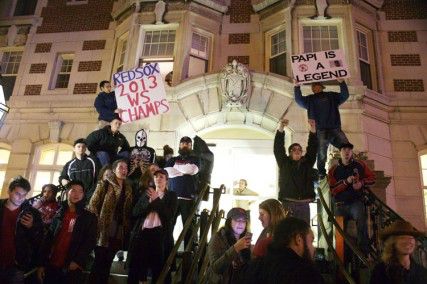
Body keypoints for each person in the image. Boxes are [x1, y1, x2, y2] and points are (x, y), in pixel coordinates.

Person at [37, 180, 97, 284]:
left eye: (80, 191)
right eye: (73, 190)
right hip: (52, 264)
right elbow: (48, 239)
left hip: (71, 267)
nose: (77, 194)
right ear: (66, 192)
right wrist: (42, 264)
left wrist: (78, 261)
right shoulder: (59, 213)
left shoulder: (89, 217)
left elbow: (90, 241)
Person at [127, 169, 177, 284]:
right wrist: (149, 202)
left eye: (161, 177)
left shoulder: (171, 196)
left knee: (159, 268)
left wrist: (156, 200)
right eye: (156, 177)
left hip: (160, 234)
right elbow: (135, 212)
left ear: (166, 181)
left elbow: (169, 216)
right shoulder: (147, 193)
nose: (158, 179)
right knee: (138, 267)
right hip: (143, 232)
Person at [87, 159, 133, 284]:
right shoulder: (105, 184)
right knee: (98, 262)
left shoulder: (128, 188)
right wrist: (98, 223)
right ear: (114, 170)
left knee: (108, 262)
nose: (124, 170)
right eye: (121, 167)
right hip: (103, 228)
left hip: (118, 229)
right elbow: (92, 205)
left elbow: (127, 210)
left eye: (126, 168)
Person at [241, 217, 323, 284]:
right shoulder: (306, 274)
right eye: (311, 241)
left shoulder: (255, 267)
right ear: (298, 240)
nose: (314, 248)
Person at [294, 79, 349, 179]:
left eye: (317, 85)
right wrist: (297, 87)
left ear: (322, 86)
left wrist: (342, 82)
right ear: (312, 89)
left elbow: (345, 96)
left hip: (334, 128)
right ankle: (322, 174)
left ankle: (349, 166)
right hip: (321, 130)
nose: (315, 87)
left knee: (346, 147)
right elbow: (299, 100)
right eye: (313, 86)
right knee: (321, 153)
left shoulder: (331, 96)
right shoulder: (310, 99)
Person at [328, 142, 375, 254]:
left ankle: (363, 250)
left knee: (361, 220)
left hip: (355, 202)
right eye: (344, 149)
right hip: (340, 204)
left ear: (352, 152)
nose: (347, 152)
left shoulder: (360, 165)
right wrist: (346, 182)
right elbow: (333, 189)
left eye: (349, 149)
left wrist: (361, 183)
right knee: (339, 230)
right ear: (340, 152)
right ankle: (341, 253)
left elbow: (372, 178)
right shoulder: (334, 169)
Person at [274, 118, 318, 224]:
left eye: (299, 149)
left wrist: (313, 128)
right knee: (288, 231)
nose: (297, 151)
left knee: (304, 230)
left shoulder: (307, 163)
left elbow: (312, 148)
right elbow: (278, 149)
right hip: (288, 202)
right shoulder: (284, 163)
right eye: (294, 149)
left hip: (304, 203)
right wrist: (281, 129)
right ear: (290, 153)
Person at [0, 176, 43, 283]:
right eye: (17, 194)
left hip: (17, 266)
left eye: (24, 195)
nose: (21, 198)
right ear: (9, 191)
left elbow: (40, 240)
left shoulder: (33, 213)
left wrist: (31, 227)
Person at [165, 136, 200, 247]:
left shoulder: (195, 159)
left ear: (191, 146)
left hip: (188, 198)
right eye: (183, 143)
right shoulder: (172, 159)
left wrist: (176, 168)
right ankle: (168, 251)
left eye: (188, 144)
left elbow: (192, 169)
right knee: (169, 226)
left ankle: (188, 253)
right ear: (179, 145)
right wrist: (184, 170)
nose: (185, 145)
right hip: (172, 197)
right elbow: (167, 172)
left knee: (188, 228)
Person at [370, 220, 427, 284]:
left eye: (411, 238)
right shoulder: (381, 271)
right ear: (392, 242)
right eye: (403, 238)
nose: (408, 241)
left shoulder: (421, 272)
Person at [207, 207, 251, 284]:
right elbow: (216, 268)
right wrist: (235, 248)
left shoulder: (245, 238)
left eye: (244, 221)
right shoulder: (217, 238)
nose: (241, 223)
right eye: (237, 220)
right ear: (229, 221)